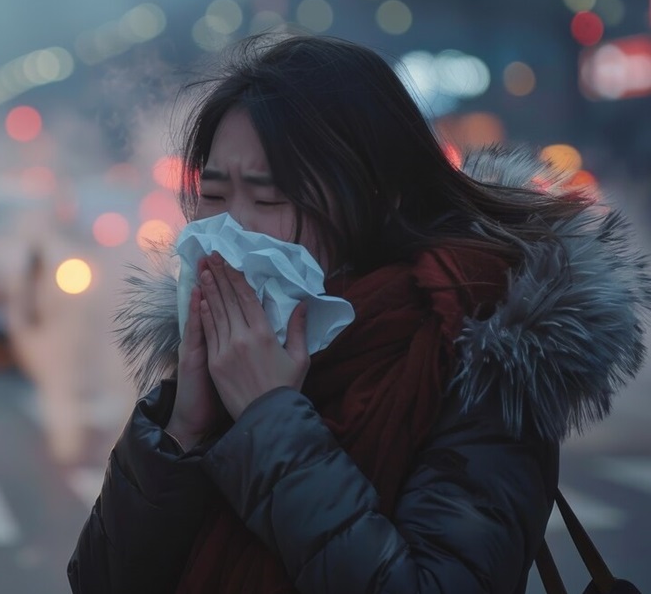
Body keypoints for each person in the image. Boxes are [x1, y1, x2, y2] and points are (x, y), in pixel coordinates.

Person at [67, 31, 651, 594]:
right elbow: (100, 580)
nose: (230, 230)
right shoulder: (227, 354)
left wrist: (270, 420)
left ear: (377, 197)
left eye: (269, 198)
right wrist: (184, 426)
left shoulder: (471, 357)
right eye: (214, 197)